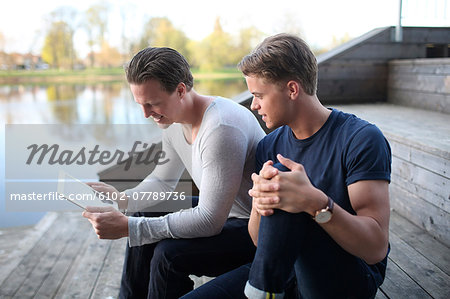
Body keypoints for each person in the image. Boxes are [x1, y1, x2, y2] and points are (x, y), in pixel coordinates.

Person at [181, 33, 391, 299]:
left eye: (258, 95)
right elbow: (259, 240)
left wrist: (315, 203)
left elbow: (375, 248)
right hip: (282, 272)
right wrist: (259, 203)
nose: (254, 105)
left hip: (347, 277)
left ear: (292, 89)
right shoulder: (269, 146)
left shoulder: (361, 138)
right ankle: (265, 290)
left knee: (283, 180)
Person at [82, 47, 266, 299]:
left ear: (180, 90)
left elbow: (209, 220)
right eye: (140, 104)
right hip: (225, 215)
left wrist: (131, 228)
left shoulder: (221, 127)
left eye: (152, 104)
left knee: (168, 254)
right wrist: (122, 200)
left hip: (255, 231)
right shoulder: (173, 120)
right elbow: (161, 182)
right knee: (142, 210)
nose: (146, 114)